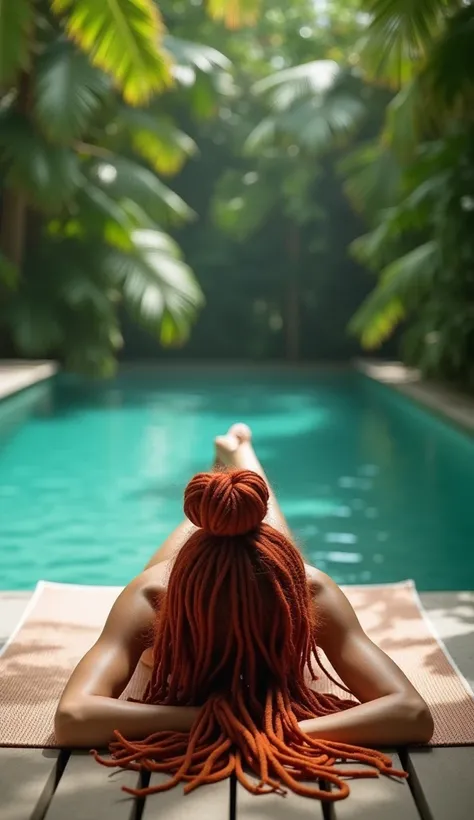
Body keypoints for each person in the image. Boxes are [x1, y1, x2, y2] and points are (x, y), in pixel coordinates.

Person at [55, 424, 433, 801]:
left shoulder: (309, 590)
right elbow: (73, 717)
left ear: (289, 589)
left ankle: (236, 455)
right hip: (198, 563)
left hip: (261, 562)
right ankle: (234, 457)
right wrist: (234, 722)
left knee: (251, 520)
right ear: (178, 586)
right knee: (206, 521)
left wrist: (261, 729)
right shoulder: (152, 596)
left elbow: (412, 714)